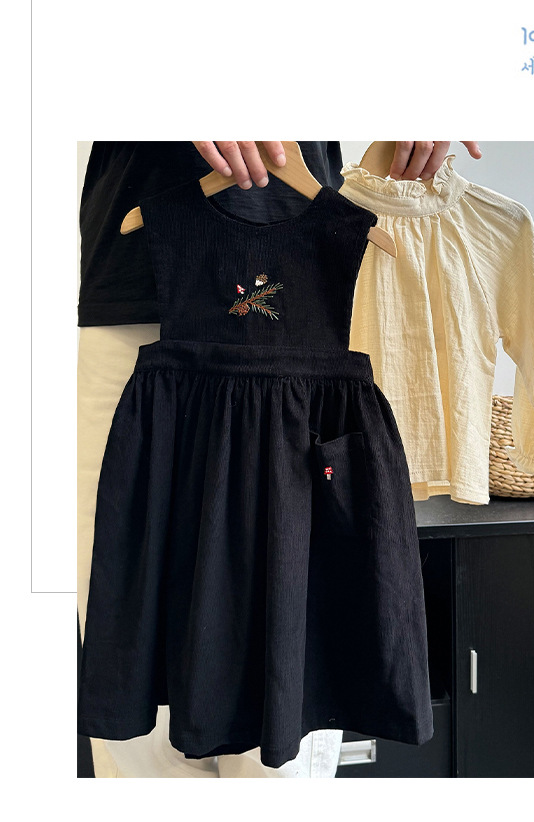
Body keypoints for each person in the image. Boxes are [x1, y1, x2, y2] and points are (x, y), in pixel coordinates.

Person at [77, 140, 482, 778]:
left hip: (306, 322)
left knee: (285, 714)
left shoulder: (350, 237)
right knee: (144, 710)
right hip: (130, 308)